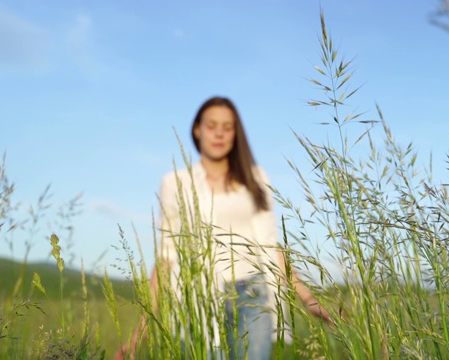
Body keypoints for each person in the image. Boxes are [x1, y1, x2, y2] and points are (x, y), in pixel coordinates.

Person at [116, 96, 334, 360]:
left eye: (228, 126)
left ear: (235, 133)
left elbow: (270, 245)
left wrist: (308, 299)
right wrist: (141, 329)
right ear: (197, 129)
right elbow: (166, 256)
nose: (219, 133)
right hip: (198, 298)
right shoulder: (175, 182)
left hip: (254, 293)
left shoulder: (255, 178)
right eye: (212, 125)